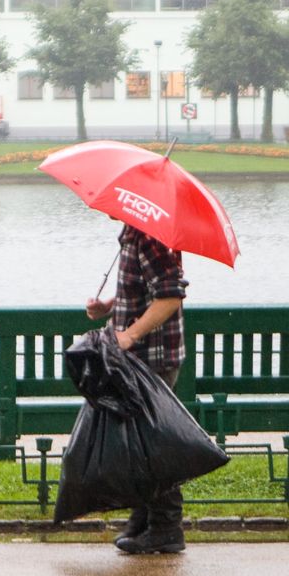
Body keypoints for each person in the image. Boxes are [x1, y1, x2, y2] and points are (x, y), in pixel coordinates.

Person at [83, 220, 190, 555]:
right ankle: (144, 519)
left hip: (152, 359)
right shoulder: (135, 231)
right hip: (140, 359)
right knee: (141, 443)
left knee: (151, 446)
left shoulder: (151, 236)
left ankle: (167, 526)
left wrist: (130, 334)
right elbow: (145, 287)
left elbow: (170, 296)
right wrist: (110, 306)